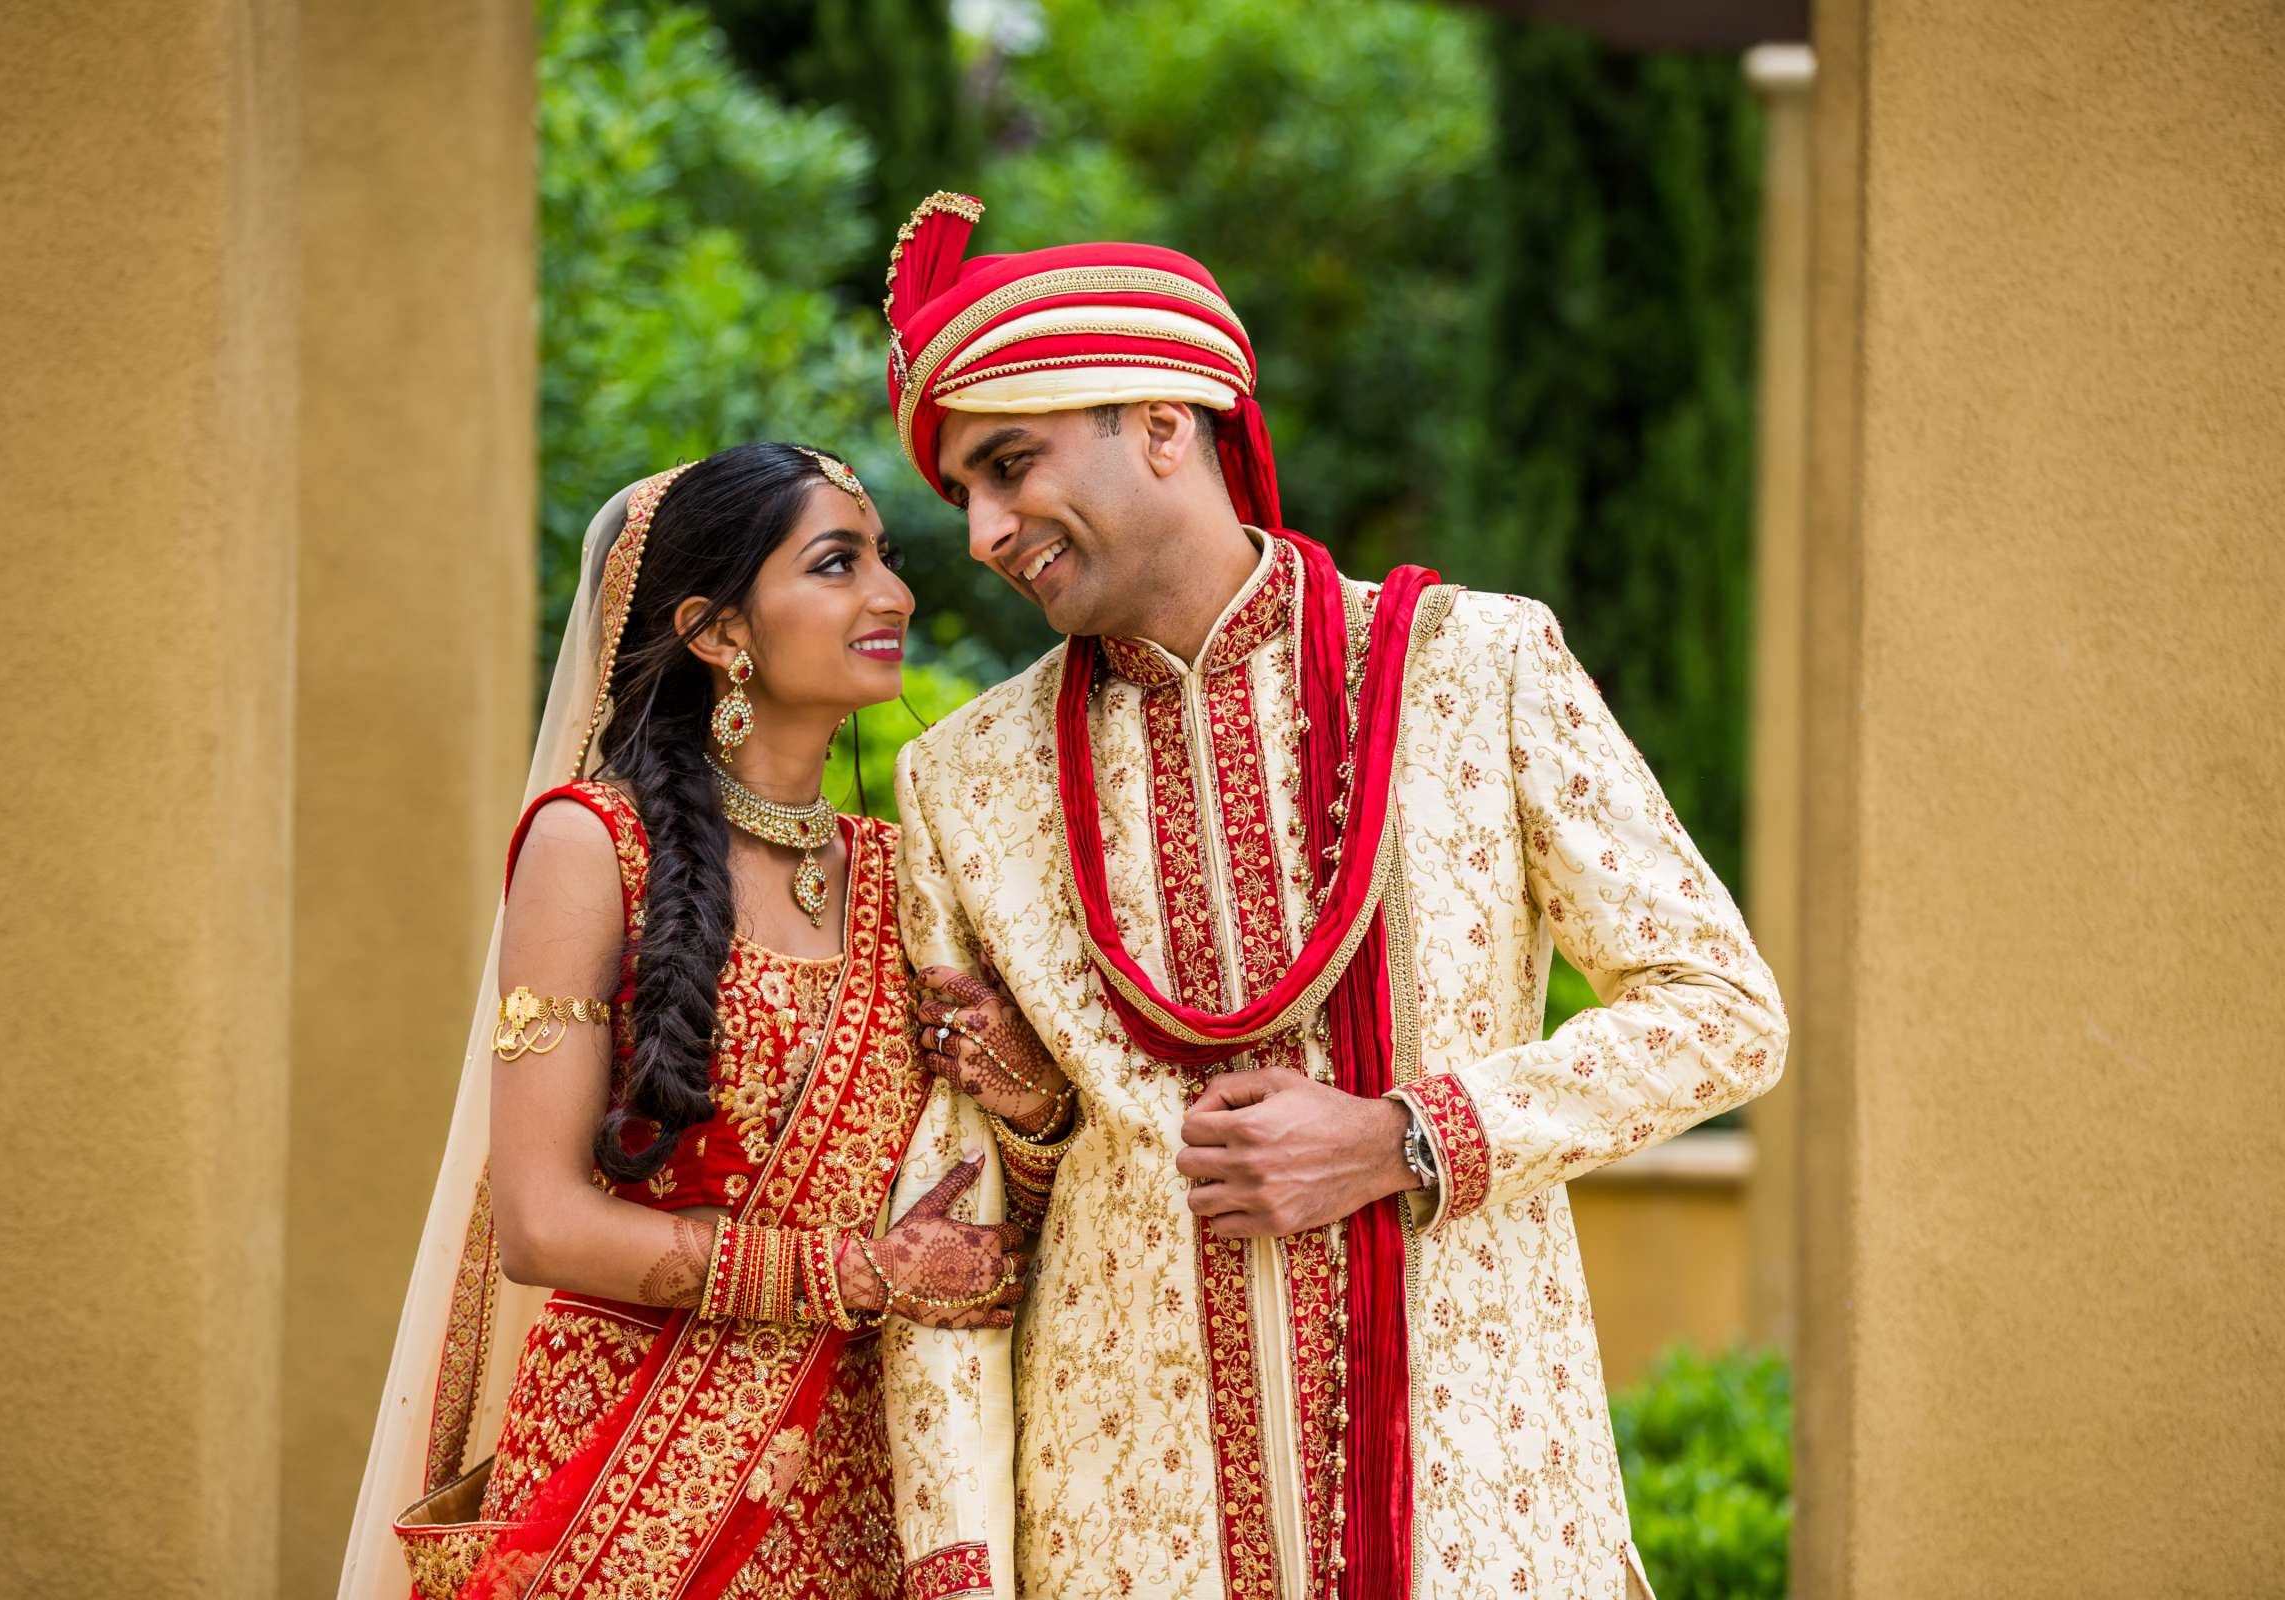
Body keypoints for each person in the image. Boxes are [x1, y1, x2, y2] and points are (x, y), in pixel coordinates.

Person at [875, 193, 1788, 1600]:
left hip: (1476, 1500)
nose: (988, 530)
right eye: (967, 496)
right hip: (1127, 1529)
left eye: (1010, 463)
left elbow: (1725, 1013)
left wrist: (1405, 1136)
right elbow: (963, 1212)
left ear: (1168, 422)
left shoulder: (1472, 671)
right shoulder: (966, 781)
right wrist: (958, 1566)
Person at [335, 442, 1070, 1600]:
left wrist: (1033, 1108)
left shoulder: (909, 873)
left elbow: (972, 1201)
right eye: (837, 564)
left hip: (868, 1481)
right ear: (718, 631)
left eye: (883, 559)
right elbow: (540, 1223)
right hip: (631, 1472)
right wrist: (858, 1275)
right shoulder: (592, 848)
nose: (894, 593)